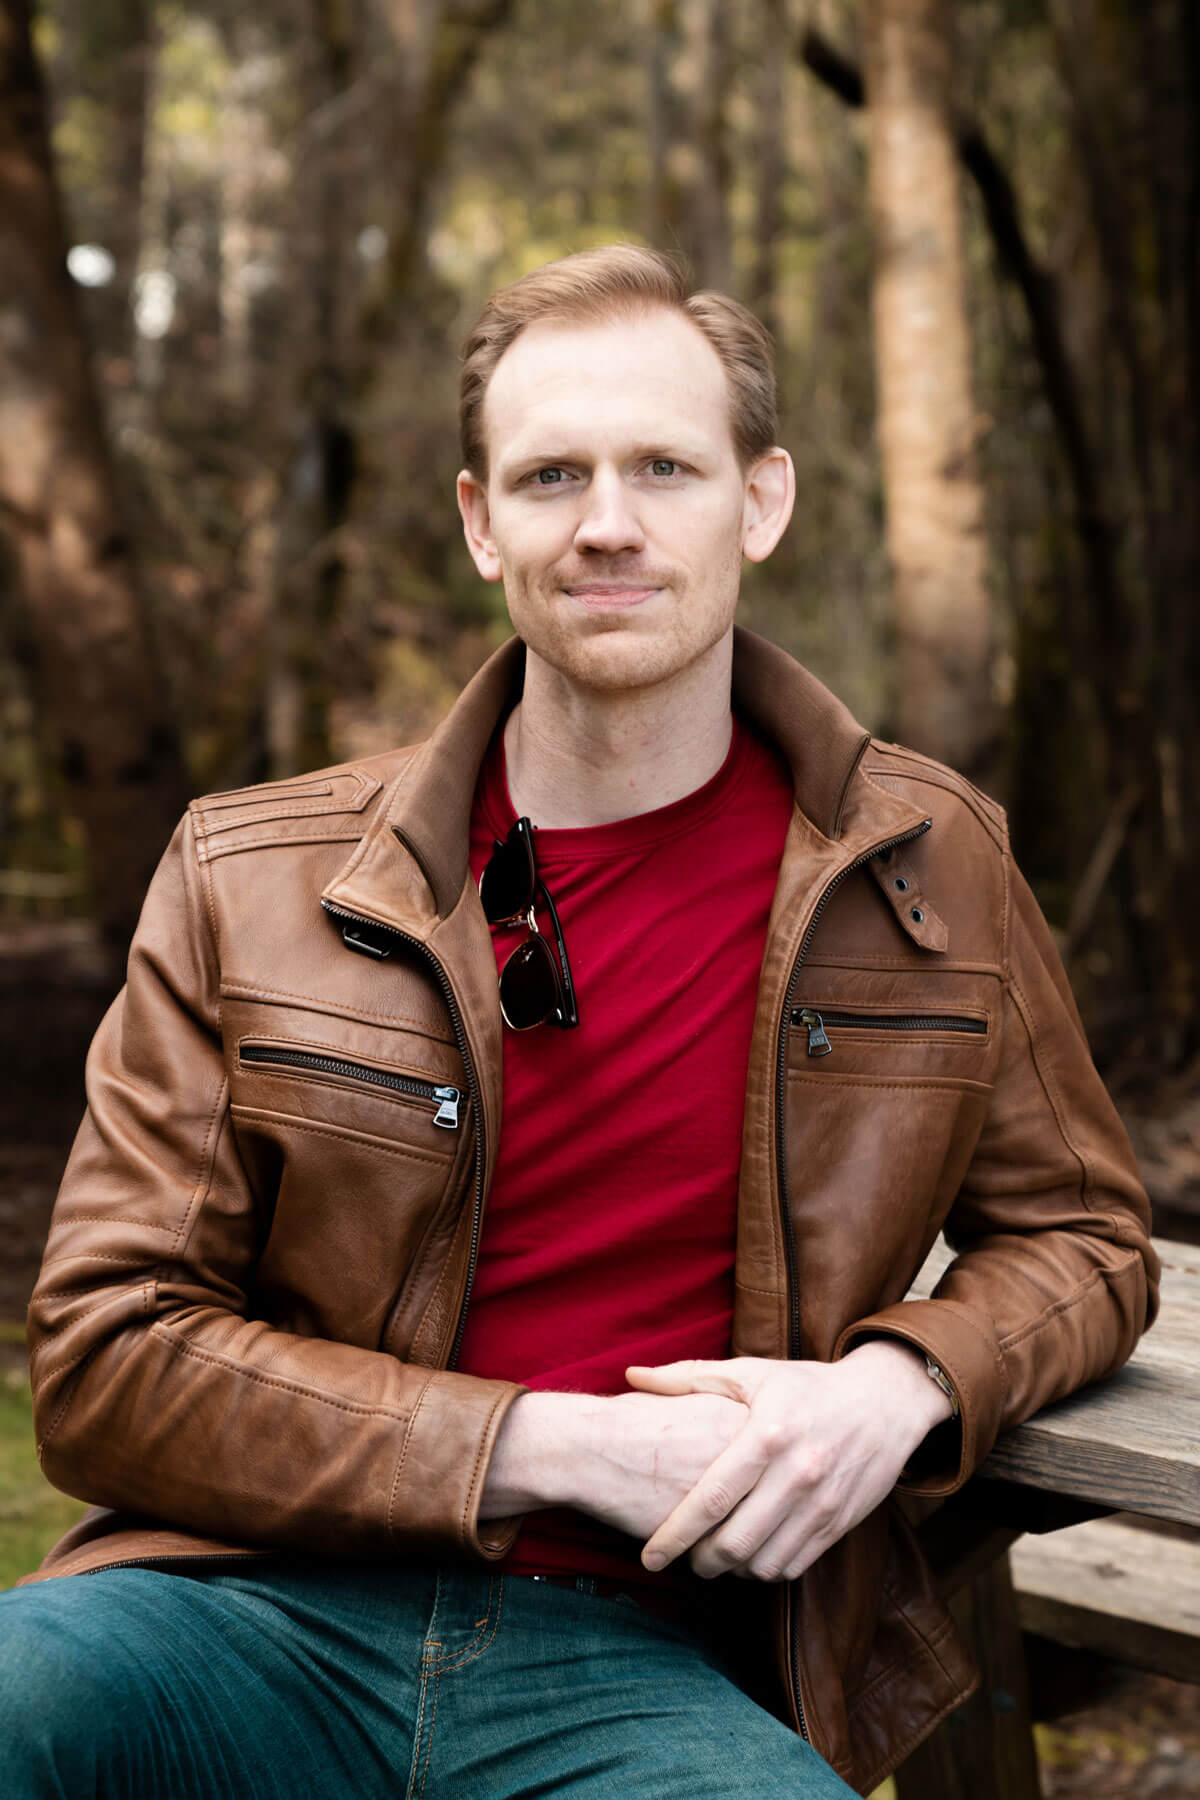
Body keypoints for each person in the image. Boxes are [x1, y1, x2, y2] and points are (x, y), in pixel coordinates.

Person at [1, 245, 1158, 1799]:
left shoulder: (929, 867)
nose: (607, 523)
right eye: (552, 474)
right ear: (483, 522)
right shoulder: (251, 873)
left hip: (646, 1664)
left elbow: (1086, 1236)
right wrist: (550, 1447)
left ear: (761, 502)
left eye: (663, 468)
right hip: (237, 1600)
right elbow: (104, 1358)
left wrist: (898, 1385)